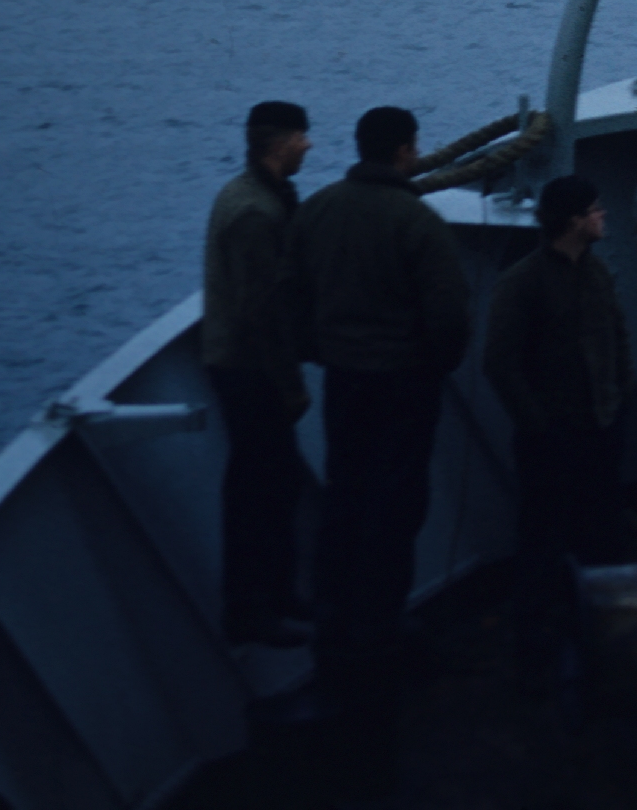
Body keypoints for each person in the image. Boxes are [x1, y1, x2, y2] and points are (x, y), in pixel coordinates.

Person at [280, 105, 471, 711]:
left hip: (345, 382)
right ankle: (382, 635)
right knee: (395, 511)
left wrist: (323, 350)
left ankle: (335, 636)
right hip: (402, 387)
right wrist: (429, 367)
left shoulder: (318, 211)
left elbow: (291, 297)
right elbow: (448, 318)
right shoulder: (416, 223)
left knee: (346, 503)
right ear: (406, 151)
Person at [482, 174, 635, 684]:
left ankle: (605, 643)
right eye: (594, 210)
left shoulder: (598, 276)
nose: (602, 216)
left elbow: (617, 340)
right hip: (552, 438)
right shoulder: (522, 283)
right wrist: (539, 427)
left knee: (603, 538)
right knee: (542, 543)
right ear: (572, 220)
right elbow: (500, 364)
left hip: (599, 430)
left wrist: (617, 400)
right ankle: (535, 653)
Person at [202, 98, 314, 648]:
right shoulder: (255, 214)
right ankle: (252, 610)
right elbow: (260, 311)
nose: (308, 145)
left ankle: (277, 596)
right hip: (250, 373)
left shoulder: (251, 197)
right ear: (279, 145)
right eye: (301, 137)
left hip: (241, 364)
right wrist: (290, 385)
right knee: (259, 491)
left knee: (276, 482)